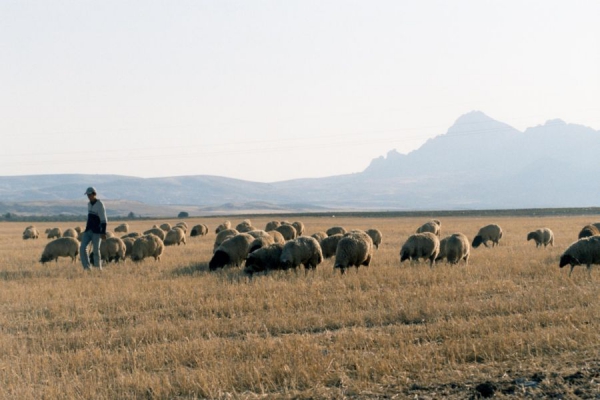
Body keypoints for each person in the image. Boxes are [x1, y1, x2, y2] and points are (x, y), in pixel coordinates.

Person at [80, 187, 107, 270]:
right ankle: (87, 268)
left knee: (96, 250)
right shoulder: (89, 204)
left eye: (90, 194)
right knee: (82, 248)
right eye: (87, 195)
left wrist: (103, 232)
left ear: (94, 194)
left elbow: (104, 219)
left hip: (97, 231)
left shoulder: (99, 204)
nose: (88, 196)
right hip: (88, 230)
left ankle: (98, 268)